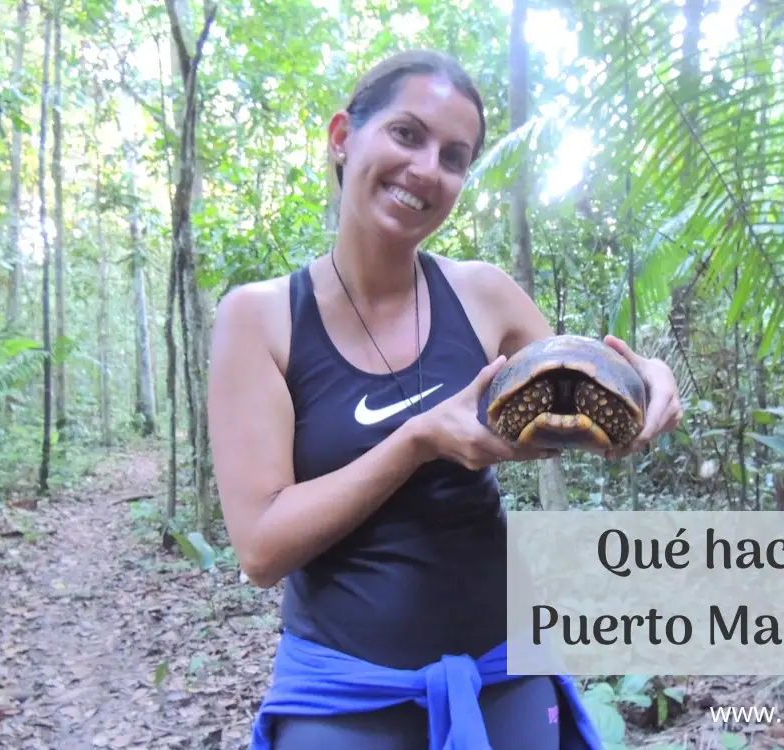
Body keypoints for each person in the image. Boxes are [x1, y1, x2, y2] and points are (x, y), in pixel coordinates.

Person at [207, 49, 684, 750]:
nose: (428, 169)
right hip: (346, 692)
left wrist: (648, 380)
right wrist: (418, 440)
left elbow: (579, 391)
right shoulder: (263, 319)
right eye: (407, 134)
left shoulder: (483, 294)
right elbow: (260, 550)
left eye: (454, 156)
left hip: (504, 673)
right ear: (344, 137)